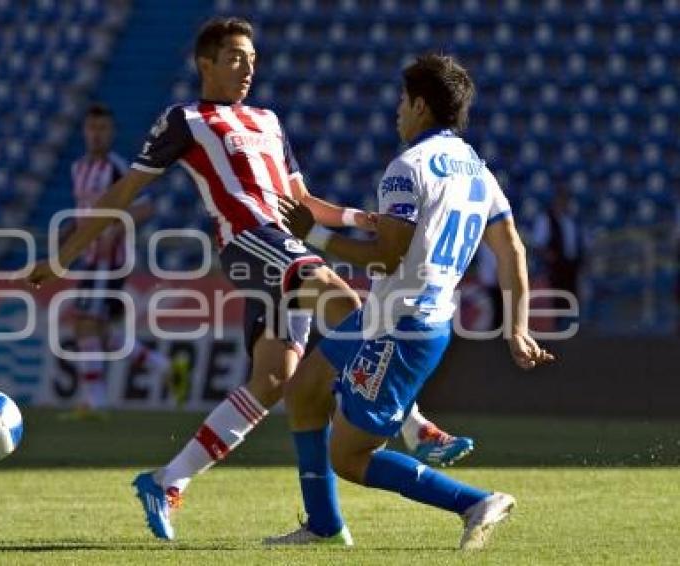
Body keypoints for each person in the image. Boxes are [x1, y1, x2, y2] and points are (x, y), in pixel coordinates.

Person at [28, 18, 472, 541]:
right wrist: (63, 257)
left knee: (274, 380)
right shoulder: (185, 119)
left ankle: (166, 481)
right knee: (340, 296)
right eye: (236, 58)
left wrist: (358, 219)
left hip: (285, 246)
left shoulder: (267, 120)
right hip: (246, 243)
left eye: (253, 59)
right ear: (205, 64)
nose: (248, 68)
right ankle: (415, 425)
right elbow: (123, 193)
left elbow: (303, 204)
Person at [266, 54, 554, 549]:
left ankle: (473, 502)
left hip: (401, 327)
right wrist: (518, 327)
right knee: (306, 390)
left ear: (420, 105)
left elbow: (384, 257)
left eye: (403, 100)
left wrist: (312, 233)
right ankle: (323, 526)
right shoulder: (477, 171)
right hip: (393, 316)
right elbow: (512, 250)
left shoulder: (407, 169)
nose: (398, 110)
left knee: (350, 456)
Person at [63, 104, 185, 416]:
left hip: (111, 261)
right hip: (91, 259)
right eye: (91, 129)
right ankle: (165, 367)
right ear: (84, 132)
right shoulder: (78, 168)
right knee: (98, 330)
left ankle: (96, 403)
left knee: (85, 323)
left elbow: (145, 208)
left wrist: (113, 228)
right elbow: (84, 214)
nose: (96, 135)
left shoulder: (117, 168)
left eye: (102, 129)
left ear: (111, 133)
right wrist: (67, 235)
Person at [531, 187, 581, 331]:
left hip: (572, 264)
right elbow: (538, 243)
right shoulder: (546, 219)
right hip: (556, 266)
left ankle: (570, 326)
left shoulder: (571, 220)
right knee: (558, 295)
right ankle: (557, 327)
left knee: (572, 295)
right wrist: (549, 256)